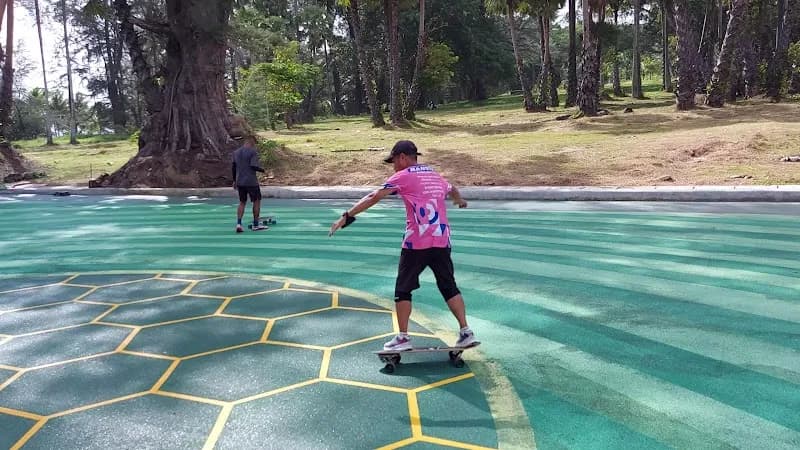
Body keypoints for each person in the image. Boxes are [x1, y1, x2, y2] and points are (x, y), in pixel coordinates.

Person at [329, 140, 477, 351]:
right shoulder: (434, 175)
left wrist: (346, 216)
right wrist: (460, 200)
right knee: (448, 285)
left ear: (402, 157)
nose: (393, 167)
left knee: (403, 289)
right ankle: (466, 332)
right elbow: (452, 189)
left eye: (394, 162)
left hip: (417, 241)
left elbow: (374, 196)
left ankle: (403, 338)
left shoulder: (404, 175)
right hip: (442, 239)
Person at [232, 135, 266, 233]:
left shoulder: (236, 152)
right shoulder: (252, 152)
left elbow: (233, 167)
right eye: (254, 144)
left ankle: (239, 223)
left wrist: (234, 180)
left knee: (242, 202)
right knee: (256, 201)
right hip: (251, 181)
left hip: (240, 181)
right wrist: (263, 170)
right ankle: (256, 224)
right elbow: (253, 166)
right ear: (251, 142)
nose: (255, 146)